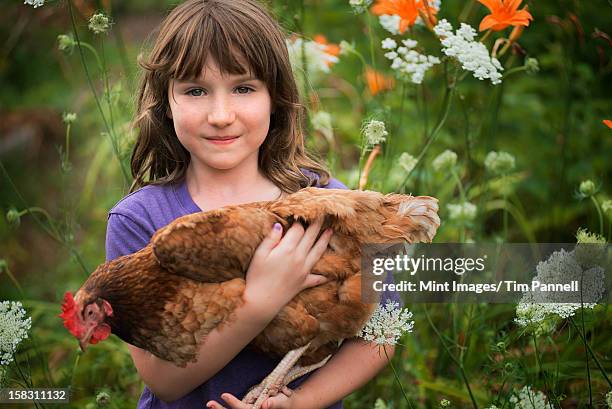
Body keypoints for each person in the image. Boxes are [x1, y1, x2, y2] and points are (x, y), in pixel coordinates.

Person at [105, 1, 395, 408]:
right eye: (195, 90)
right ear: (165, 103)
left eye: (243, 88)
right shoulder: (139, 220)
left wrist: (300, 402)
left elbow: (381, 335)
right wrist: (259, 301)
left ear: (275, 98)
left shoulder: (328, 202)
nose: (221, 115)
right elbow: (164, 382)